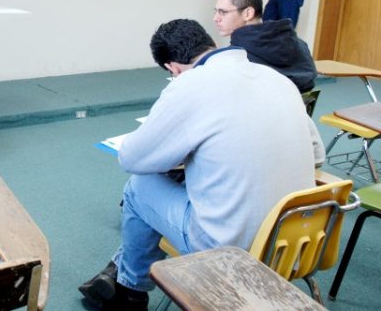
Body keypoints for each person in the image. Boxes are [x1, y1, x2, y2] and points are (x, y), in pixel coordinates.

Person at [79, 19, 321, 310]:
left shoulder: (190, 86)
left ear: (173, 68)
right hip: (297, 241)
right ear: (210, 43)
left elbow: (132, 158)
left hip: (230, 250)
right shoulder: (276, 79)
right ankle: (117, 273)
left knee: (138, 188)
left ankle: (130, 292)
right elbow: (317, 155)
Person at [214, 0, 317, 93]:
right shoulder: (301, 45)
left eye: (223, 12)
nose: (215, 18)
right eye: (216, 12)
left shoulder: (234, 58)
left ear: (248, 13)